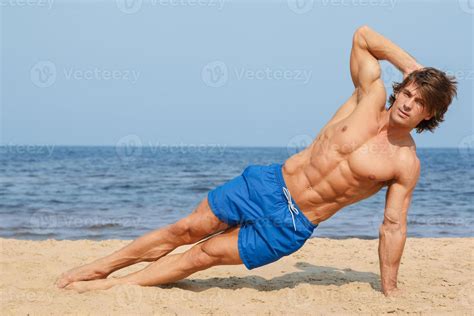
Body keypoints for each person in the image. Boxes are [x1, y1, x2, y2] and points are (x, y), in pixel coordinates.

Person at [56, 25, 457, 296]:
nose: (408, 103)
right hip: (269, 183)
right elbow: (363, 35)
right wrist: (416, 68)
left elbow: (392, 226)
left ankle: (121, 289)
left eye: (420, 102)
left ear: (429, 116)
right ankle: (99, 268)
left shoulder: (404, 163)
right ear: (400, 88)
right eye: (408, 92)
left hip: (294, 222)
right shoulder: (366, 97)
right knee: (187, 228)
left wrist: (389, 290)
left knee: (204, 255)